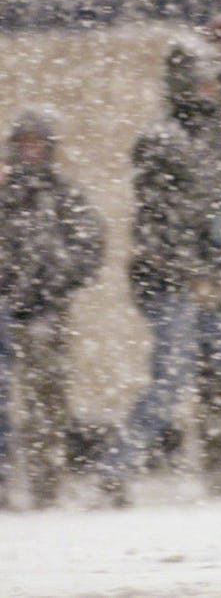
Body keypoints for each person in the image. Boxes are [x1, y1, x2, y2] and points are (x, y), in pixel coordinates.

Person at [100, 34, 221, 505]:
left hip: (219, 284)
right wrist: (191, 273)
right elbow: (161, 218)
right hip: (175, 285)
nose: (212, 90)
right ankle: (115, 468)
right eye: (204, 81)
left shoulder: (215, 138)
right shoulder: (161, 139)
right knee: (170, 382)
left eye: (214, 82)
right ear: (184, 82)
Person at [0, 108, 106, 509]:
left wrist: (55, 281)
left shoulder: (63, 195)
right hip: (5, 313)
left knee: (47, 403)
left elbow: (91, 244)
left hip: (46, 314)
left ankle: (46, 486)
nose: (31, 151)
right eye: (24, 143)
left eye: (38, 143)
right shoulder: (6, 191)